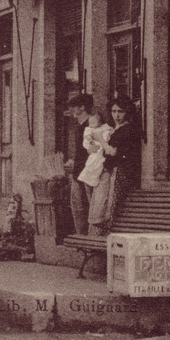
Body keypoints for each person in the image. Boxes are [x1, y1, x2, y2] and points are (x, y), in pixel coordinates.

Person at [96, 94, 142, 234]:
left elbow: (114, 152)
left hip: (120, 173)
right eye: (114, 111)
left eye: (121, 111)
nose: (117, 115)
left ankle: (108, 234)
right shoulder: (115, 129)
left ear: (127, 112)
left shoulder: (127, 130)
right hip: (111, 172)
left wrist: (102, 142)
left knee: (112, 205)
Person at [65, 93, 94, 235]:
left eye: (74, 108)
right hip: (78, 173)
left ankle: (89, 237)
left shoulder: (92, 125)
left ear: (82, 107)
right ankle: (82, 238)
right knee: (78, 207)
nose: (72, 111)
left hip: (89, 174)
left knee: (89, 207)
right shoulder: (80, 127)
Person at [80, 111, 114, 232]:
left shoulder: (106, 128)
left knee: (95, 175)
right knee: (89, 175)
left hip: (102, 155)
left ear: (100, 122)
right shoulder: (88, 130)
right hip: (95, 152)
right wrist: (89, 145)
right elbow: (87, 140)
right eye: (90, 122)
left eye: (94, 122)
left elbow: (108, 135)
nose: (91, 124)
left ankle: (95, 218)